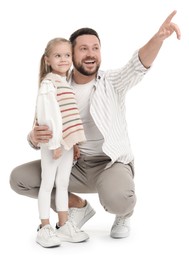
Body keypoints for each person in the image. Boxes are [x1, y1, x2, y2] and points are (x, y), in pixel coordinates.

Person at [10, 10, 181, 240]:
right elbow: (44, 124)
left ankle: (124, 212)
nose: (91, 54)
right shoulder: (56, 85)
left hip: (110, 165)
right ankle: (77, 206)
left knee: (119, 199)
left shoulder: (112, 82)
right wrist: (33, 137)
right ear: (70, 55)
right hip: (72, 163)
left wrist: (158, 38)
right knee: (19, 179)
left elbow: (137, 65)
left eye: (95, 48)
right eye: (83, 49)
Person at [32, 37, 89, 247]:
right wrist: (55, 144)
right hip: (53, 144)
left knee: (63, 183)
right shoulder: (49, 83)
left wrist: (71, 143)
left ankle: (64, 225)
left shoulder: (64, 82)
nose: (64, 59)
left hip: (65, 144)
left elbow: (66, 117)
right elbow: (48, 116)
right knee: (47, 184)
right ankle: (45, 227)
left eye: (67, 55)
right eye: (58, 55)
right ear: (48, 59)